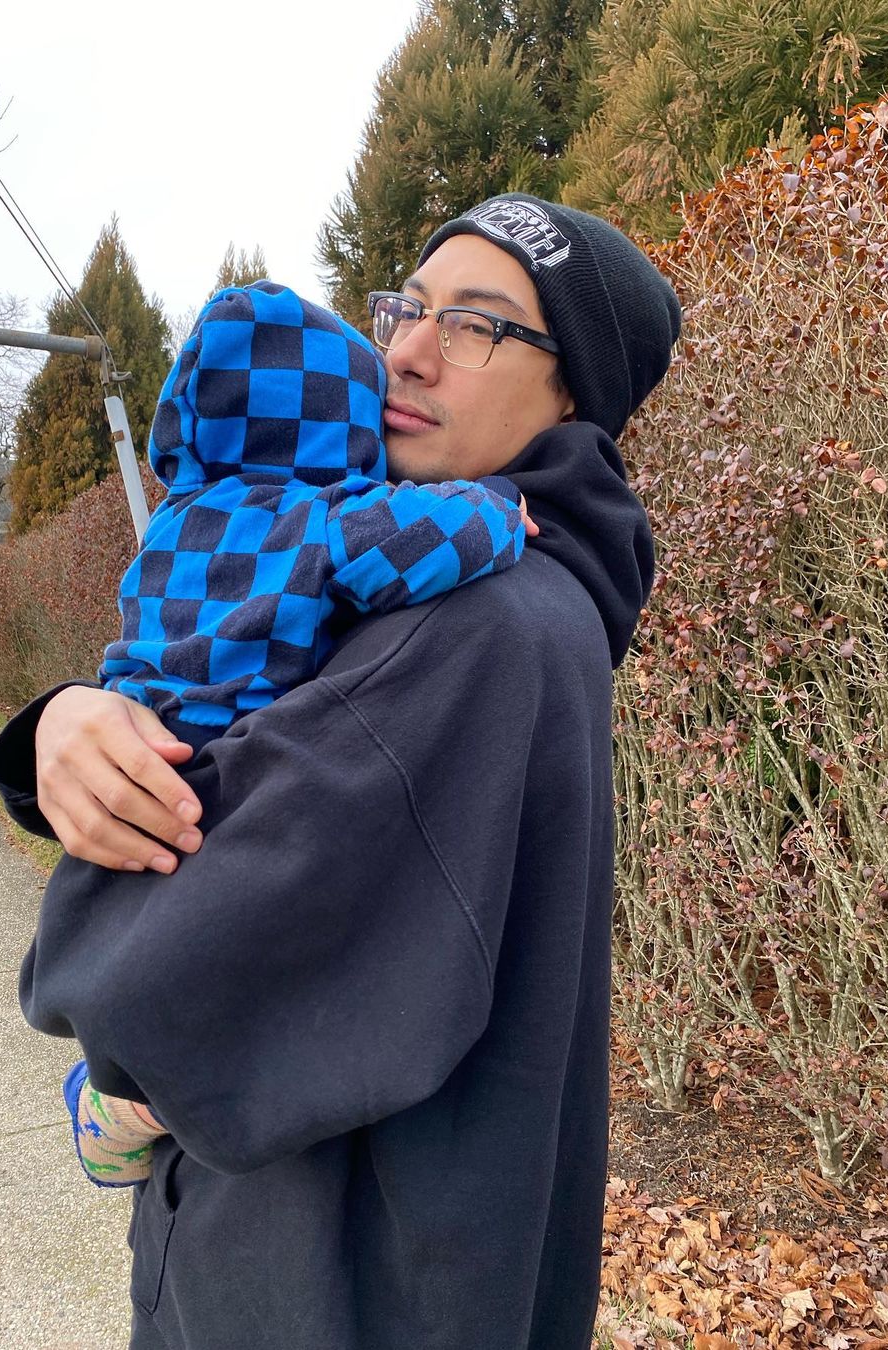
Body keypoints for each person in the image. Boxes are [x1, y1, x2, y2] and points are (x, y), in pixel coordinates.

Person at [0, 193, 681, 1350]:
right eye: (409, 308)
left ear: (575, 393)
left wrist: (95, 968)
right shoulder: (462, 589)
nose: (406, 351)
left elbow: (143, 982)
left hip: (321, 1290)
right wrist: (64, 723)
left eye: (477, 325)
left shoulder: (474, 625)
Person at [63, 278, 533, 1186]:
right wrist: (498, 507)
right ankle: (125, 1110)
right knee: (223, 970)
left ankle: (109, 1086)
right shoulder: (322, 523)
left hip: (135, 747)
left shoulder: (171, 521)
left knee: (140, 947)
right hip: (219, 776)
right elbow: (431, 538)